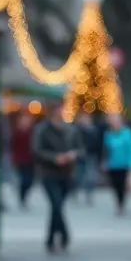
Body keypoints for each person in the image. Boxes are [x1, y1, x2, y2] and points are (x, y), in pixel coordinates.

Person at [32, 103, 84, 253]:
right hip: (49, 173)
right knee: (56, 204)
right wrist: (54, 158)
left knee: (58, 206)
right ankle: (63, 235)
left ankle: (51, 238)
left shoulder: (71, 129)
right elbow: (37, 151)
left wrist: (73, 154)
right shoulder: (42, 130)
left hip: (67, 173)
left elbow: (80, 149)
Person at [101, 113, 131, 215]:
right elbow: (105, 149)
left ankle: (121, 203)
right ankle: (118, 201)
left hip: (125, 164)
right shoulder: (108, 134)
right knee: (115, 184)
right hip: (113, 164)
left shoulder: (128, 133)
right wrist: (104, 161)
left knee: (122, 185)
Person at [10, 111, 37, 210]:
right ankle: (22, 198)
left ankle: (24, 197)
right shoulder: (16, 132)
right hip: (20, 160)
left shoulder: (32, 132)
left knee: (30, 181)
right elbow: (12, 147)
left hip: (31, 160)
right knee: (24, 180)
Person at [74, 112, 101, 205]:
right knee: (78, 176)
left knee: (91, 177)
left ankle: (89, 194)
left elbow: (98, 144)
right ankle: (75, 193)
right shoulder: (76, 130)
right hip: (80, 156)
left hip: (91, 156)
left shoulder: (94, 130)